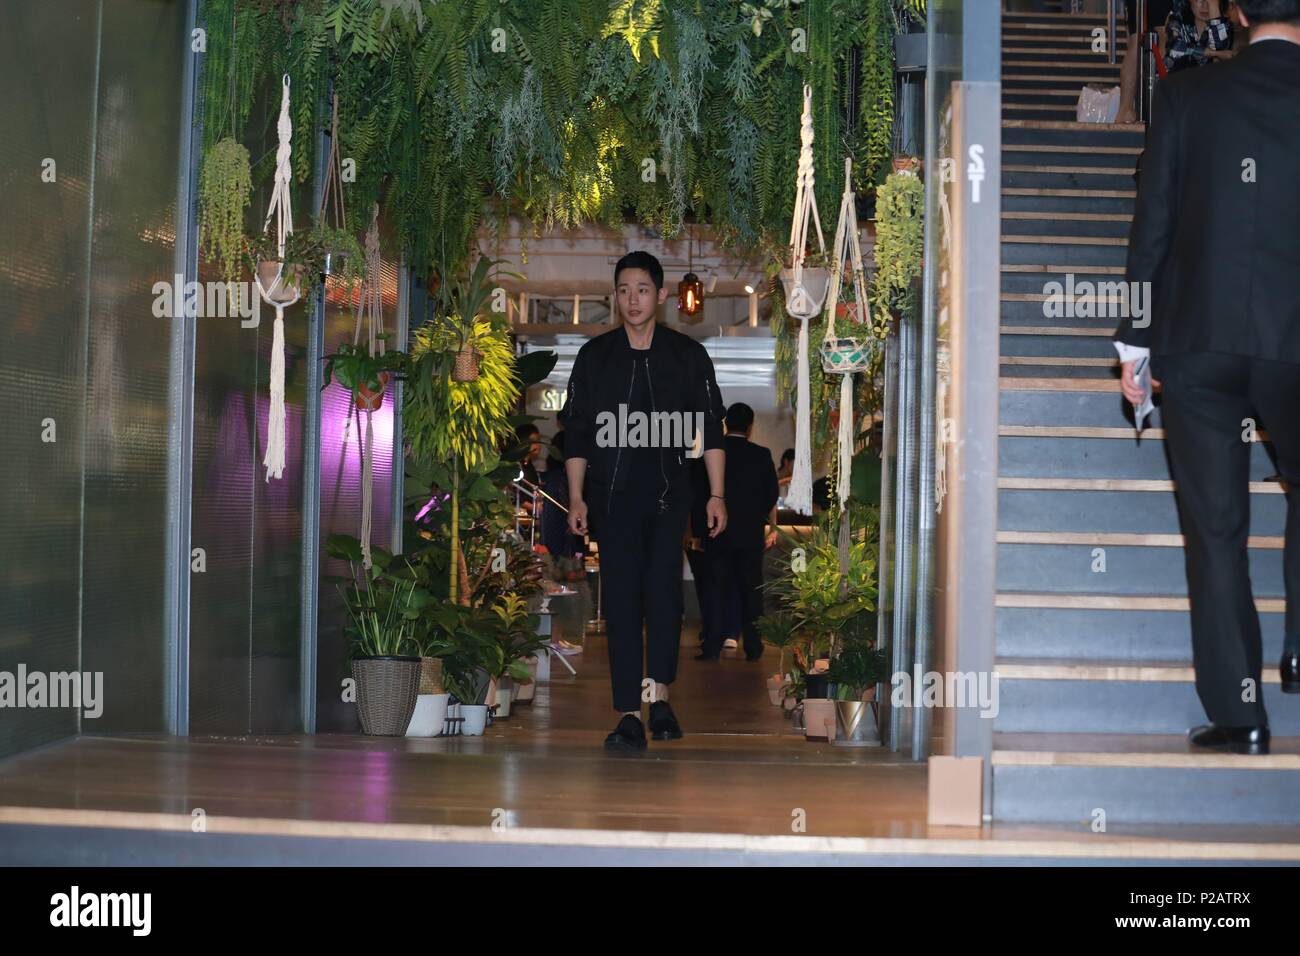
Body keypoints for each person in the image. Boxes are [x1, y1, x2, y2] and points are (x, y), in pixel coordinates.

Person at [1113, 0, 1300, 755]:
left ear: (1238, 13)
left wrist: (1133, 344)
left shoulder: (1189, 97)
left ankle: (1241, 714)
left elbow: (1150, 224)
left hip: (1198, 344)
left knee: (1216, 532)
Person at [560, 250, 727, 751]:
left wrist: (716, 494)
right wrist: (575, 498)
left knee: (665, 600)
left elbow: (709, 430)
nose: (633, 300)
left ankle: (661, 700)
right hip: (611, 503)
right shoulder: (596, 357)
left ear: (660, 296)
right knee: (623, 605)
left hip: (669, 499)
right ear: (615, 297)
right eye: (624, 290)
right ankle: (629, 712)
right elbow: (578, 436)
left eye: (643, 290)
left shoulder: (686, 356)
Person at [697, 403, 779, 662]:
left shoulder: (712, 453)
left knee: (715, 591)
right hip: (750, 535)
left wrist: (702, 529)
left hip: (716, 533)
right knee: (751, 593)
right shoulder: (762, 455)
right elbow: (771, 494)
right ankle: (753, 647)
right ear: (750, 426)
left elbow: (699, 494)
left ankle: (712, 646)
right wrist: (755, 517)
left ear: (725, 424)